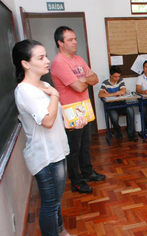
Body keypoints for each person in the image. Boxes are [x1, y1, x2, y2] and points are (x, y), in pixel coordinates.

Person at [12, 39, 77, 236]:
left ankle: (61, 231)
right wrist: (56, 95)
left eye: (46, 56)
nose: (47, 60)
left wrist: (71, 121)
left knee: (56, 200)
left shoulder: (44, 84)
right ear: (26, 63)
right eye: (41, 57)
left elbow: (56, 118)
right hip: (45, 156)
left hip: (57, 150)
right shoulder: (25, 90)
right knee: (50, 204)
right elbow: (47, 121)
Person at [51, 26, 105, 194]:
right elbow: (79, 86)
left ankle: (88, 172)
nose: (75, 42)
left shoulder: (78, 59)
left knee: (85, 145)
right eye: (70, 40)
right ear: (60, 43)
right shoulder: (59, 63)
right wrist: (83, 79)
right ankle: (76, 181)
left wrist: (83, 79)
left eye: (75, 39)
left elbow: (95, 78)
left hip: (84, 108)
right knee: (74, 148)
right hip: (71, 111)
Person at [98, 66, 138, 141]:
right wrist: (115, 93)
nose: (117, 78)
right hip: (111, 106)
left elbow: (123, 91)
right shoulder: (105, 83)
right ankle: (118, 130)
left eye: (118, 76)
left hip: (122, 104)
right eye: (115, 77)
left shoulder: (121, 81)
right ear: (110, 75)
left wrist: (109, 93)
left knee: (130, 110)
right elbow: (100, 95)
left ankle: (131, 132)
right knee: (114, 116)